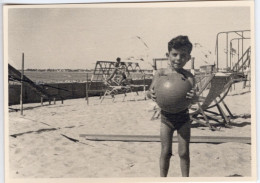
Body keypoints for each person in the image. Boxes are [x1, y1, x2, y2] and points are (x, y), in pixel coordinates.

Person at [146, 35, 197, 177]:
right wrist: (151, 93)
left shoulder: (189, 77)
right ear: (168, 55)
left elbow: (194, 98)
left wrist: (193, 97)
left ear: (188, 58)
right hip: (166, 118)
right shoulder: (160, 74)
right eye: (175, 54)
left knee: (184, 152)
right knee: (165, 151)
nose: (178, 58)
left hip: (183, 118)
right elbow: (150, 92)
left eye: (183, 55)